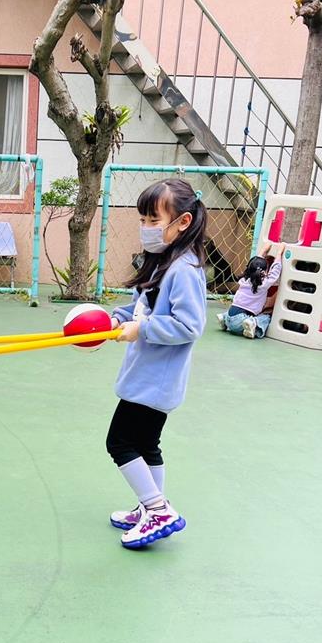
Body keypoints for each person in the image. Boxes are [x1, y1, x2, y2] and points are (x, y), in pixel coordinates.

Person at [107, 178, 207, 549]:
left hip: (156, 380)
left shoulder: (184, 270)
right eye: (143, 220)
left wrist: (142, 329)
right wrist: (117, 319)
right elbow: (140, 307)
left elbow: (190, 325)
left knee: (119, 442)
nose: (146, 228)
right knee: (147, 445)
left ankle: (158, 509)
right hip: (147, 375)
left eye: (154, 221)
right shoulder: (162, 261)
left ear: (182, 222)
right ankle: (148, 508)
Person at [217, 243, 283, 339]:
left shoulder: (244, 279)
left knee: (233, 315)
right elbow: (275, 273)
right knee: (266, 318)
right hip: (240, 321)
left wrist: (263, 250)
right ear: (264, 272)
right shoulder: (263, 284)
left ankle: (224, 319)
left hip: (229, 316)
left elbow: (254, 264)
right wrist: (279, 253)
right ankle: (252, 323)